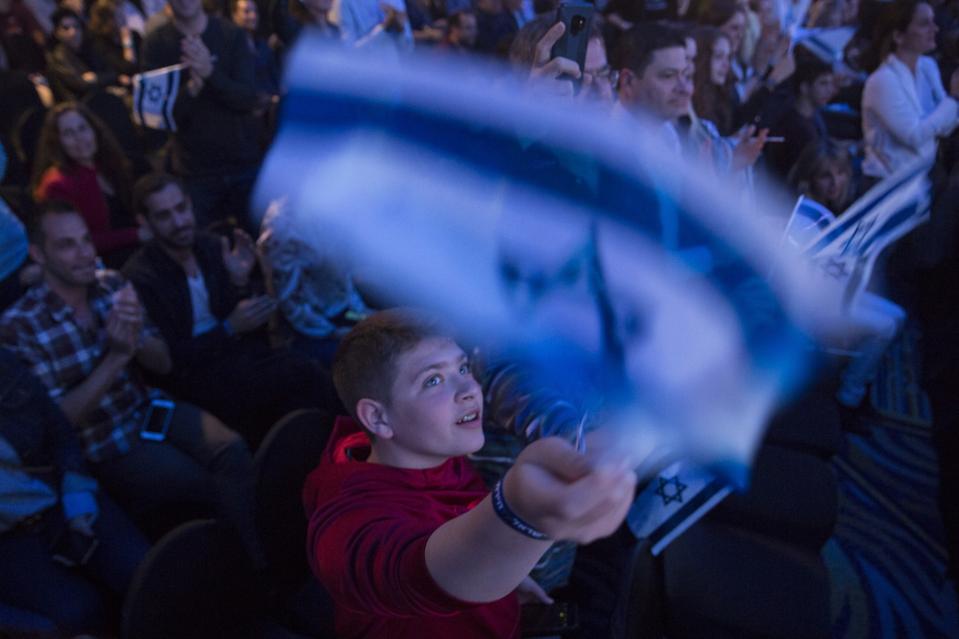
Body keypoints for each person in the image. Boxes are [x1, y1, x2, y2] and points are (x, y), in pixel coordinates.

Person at [303, 309, 637, 638]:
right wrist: (523, 520)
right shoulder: (345, 523)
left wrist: (505, 574)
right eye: (433, 380)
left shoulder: (439, 456)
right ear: (377, 419)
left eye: (463, 368)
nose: (469, 389)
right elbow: (416, 572)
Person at [0, 201, 262, 563]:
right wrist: (117, 356)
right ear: (38, 255)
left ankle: (262, 563)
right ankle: (235, 578)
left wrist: (137, 337)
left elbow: (164, 363)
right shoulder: (19, 325)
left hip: (148, 406)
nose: (84, 254)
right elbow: (55, 426)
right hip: (103, 442)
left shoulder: (111, 284)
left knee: (231, 448)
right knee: (200, 484)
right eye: (67, 245)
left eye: (86, 240)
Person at [124, 173, 340, 443]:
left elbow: (255, 321)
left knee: (311, 375)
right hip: (195, 377)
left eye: (181, 209)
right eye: (165, 216)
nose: (179, 222)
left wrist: (240, 282)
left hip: (239, 356)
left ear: (190, 205)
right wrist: (227, 329)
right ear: (145, 222)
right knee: (299, 379)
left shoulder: (212, 246)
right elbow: (171, 360)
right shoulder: (142, 277)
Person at [0, 347, 149, 636]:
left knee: (144, 574)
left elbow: (57, 430)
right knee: (79, 613)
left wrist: (76, 497)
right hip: (10, 540)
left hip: (58, 495)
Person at [140, 0, 264, 230]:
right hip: (194, 171)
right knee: (205, 247)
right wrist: (190, 90)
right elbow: (156, 120)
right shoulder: (156, 44)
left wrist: (210, 73)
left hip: (242, 163)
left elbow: (248, 98)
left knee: (260, 241)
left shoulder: (231, 34)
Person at [31, 102, 145, 268]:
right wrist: (136, 235)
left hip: (138, 247)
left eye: (83, 128)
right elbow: (78, 243)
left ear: (94, 130)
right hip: (104, 263)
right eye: (69, 133)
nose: (79, 138)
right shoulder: (56, 185)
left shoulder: (108, 162)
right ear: (57, 141)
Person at [861, 0, 959, 179]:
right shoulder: (882, 81)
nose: (934, 29)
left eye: (933, 21)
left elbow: (946, 126)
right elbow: (914, 136)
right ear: (898, 36)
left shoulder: (928, 66)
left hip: (922, 175)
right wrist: (954, 99)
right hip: (889, 183)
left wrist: (952, 105)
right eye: (924, 23)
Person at [764, 49, 836, 179]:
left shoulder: (815, 117)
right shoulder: (793, 126)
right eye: (823, 83)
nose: (830, 90)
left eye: (831, 84)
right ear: (804, 87)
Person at [45, 7, 130, 101]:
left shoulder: (90, 47)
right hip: (83, 107)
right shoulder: (59, 56)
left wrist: (96, 77)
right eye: (66, 28)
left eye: (76, 26)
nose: (73, 32)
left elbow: (111, 70)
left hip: (103, 98)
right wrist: (107, 80)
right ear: (57, 33)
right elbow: (81, 85)